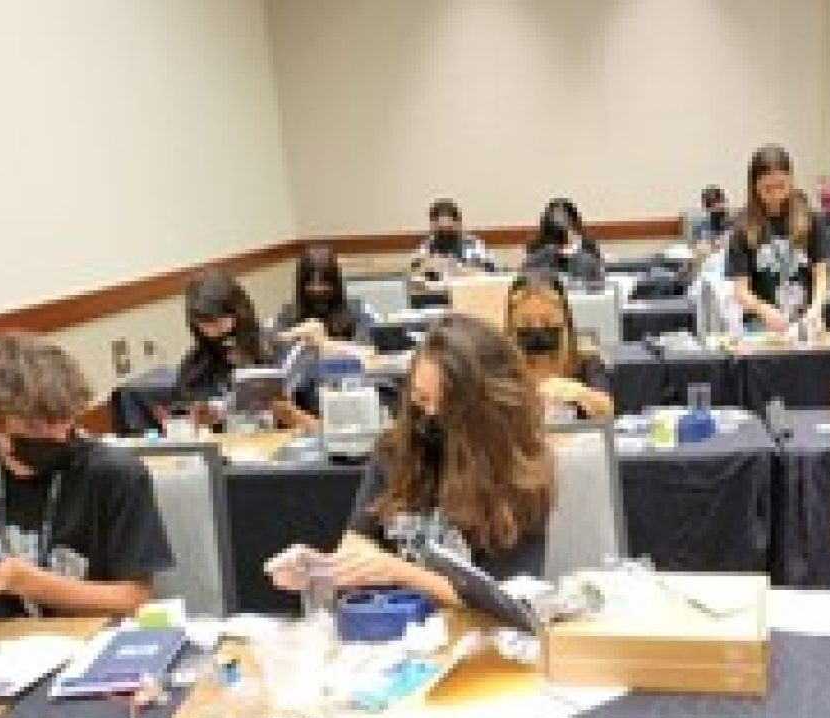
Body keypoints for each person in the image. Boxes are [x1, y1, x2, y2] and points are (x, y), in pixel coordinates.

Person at [266, 314, 554, 603]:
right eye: (420, 400)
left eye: (444, 406)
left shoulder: (521, 474)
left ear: (485, 409)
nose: (428, 416)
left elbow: (505, 599)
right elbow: (356, 547)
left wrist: (399, 572)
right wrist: (319, 569)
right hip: (397, 628)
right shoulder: (397, 451)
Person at [0, 333, 174, 619]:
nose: (59, 437)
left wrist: (17, 579)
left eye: (66, 420)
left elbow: (134, 599)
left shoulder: (115, 474)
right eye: (37, 427)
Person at [176, 269, 316, 429]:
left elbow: (325, 430)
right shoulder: (194, 369)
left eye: (220, 320)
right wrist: (201, 420)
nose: (215, 329)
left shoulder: (281, 350)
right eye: (205, 323)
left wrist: (290, 415)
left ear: (240, 311)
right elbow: (184, 427)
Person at [725, 144, 830, 333]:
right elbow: (740, 290)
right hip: (761, 322)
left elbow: (821, 275)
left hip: (806, 319)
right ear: (754, 187)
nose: (775, 195)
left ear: (791, 180)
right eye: (767, 188)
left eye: (781, 186)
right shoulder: (742, 226)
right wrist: (763, 310)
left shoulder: (811, 219)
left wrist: (815, 309)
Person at [505, 269, 614, 420]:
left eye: (547, 321)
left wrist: (579, 392)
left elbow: (608, 412)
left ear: (564, 320)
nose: (537, 328)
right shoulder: (501, 363)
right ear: (512, 325)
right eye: (526, 322)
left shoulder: (585, 358)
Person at [275, 244, 372, 340]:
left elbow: (365, 347)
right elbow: (275, 345)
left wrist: (322, 340)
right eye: (311, 283)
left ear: (335, 284)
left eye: (324, 283)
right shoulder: (289, 312)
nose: (317, 289)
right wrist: (296, 332)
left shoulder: (355, 310)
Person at [524, 198, 605, 285]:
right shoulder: (538, 248)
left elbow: (597, 282)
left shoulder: (588, 245)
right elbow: (527, 279)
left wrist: (574, 253)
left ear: (574, 225)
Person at [410, 199, 495, 281]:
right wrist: (426, 266)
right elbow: (410, 274)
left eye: (448, 229)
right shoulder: (427, 245)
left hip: (465, 292)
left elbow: (491, 274)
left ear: (458, 224)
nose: (445, 233)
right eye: (440, 230)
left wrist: (458, 269)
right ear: (432, 226)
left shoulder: (472, 244)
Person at [691, 185, 732, 249]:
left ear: (723, 201)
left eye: (717, 201)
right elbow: (694, 248)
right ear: (705, 206)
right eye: (709, 204)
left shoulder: (733, 225)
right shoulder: (699, 227)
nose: (714, 206)